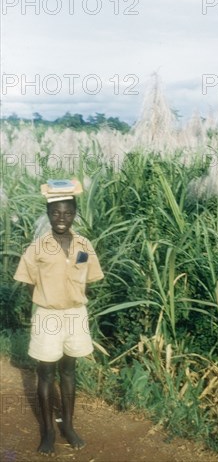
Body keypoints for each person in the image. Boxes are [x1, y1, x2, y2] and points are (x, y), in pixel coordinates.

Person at [14, 185, 104, 456]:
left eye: (67, 213)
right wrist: (48, 299)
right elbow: (29, 281)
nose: (61, 218)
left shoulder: (83, 245)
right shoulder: (38, 247)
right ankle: (48, 432)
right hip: (47, 316)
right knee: (46, 373)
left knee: (68, 371)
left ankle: (68, 426)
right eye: (55, 213)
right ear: (48, 214)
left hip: (75, 315)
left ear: (75, 214)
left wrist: (71, 298)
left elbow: (88, 277)